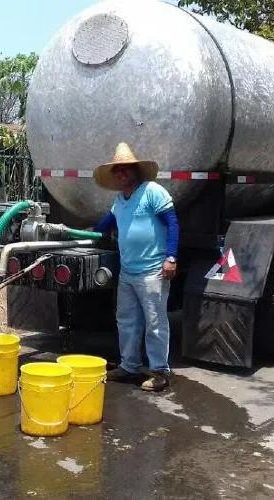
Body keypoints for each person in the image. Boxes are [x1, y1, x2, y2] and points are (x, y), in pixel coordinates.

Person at [91, 143, 179, 392]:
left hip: (153, 271)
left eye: (125, 169)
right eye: (117, 170)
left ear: (135, 171)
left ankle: (160, 372)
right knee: (126, 320)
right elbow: (104, 225)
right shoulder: (120, 201)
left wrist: (171, 257)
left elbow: (172, 223)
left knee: (155, 322)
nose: (121, 174)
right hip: (128, 272)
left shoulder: (152, 192)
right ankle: (129, 366)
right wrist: (85, 233)